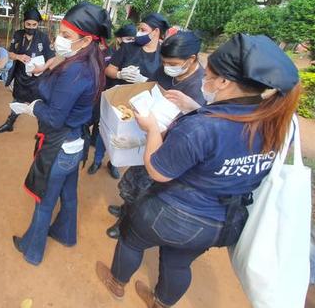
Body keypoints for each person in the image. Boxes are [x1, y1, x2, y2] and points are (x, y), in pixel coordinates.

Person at [96, 34, 300, 308]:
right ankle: (161, 303)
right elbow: (227, 144)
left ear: (225, 82)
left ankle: (116, 283)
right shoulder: (273, 123)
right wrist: (194, 107)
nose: (205, 79)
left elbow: (157, 170)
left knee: (131, 240)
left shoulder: (202, 127)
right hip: (221, 221)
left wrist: (152, 128)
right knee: (178, 264)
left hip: (173, 212)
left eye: (210, 74)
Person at [11, 2, 112, 265]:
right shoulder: (90, 61)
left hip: (59, 146)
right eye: (60, 32)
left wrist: (33, 106)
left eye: (66, 36)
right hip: (76, 144)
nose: (59, 39)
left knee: (44, 203)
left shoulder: (75, 71)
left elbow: (55, 117)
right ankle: (66, 234)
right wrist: (53, 65)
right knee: (68, 194)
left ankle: (31, 250)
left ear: (86, 39)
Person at [105, 31, 207, 240]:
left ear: (191, 59)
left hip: (167, 147)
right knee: (134, 180)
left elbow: (193, 128)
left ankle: (126, 224)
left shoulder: (200, 87)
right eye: (164, 62)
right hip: (147, 132)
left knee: (145, 192)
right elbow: (150, 89)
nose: (167, 66)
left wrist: (149, 134)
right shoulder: (166, 70)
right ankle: (125, 209)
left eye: (173, 62)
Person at [88, 24, 139, 179]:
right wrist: (118, 74)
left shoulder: (137, 52)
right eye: (128, 39)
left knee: (121, 134)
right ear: (119, 39)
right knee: (104, 130)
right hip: (108, 95)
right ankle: (97, 160)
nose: (131, 42)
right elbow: (101, 71)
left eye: (133, 39)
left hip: (127, 99)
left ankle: (113, 163)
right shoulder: (107, 52)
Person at [0, 8, 56, 133]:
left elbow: (52, 58)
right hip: (21, 77)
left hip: (38, 78)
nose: (31, 27)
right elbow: (9, 53)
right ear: (24, 23)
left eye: (34, 25)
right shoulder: (18, 34)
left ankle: (42, 132)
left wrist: (42, 68)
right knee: (17, 100)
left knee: (39, 105)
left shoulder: (43, 38)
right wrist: (19, 57)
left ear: (38, 24)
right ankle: (9, 123)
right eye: (28, 24)